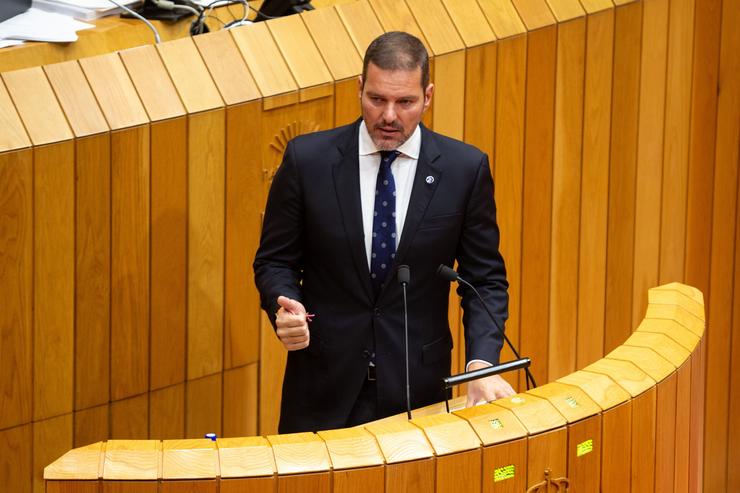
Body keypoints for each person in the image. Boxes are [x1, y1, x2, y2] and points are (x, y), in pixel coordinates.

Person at [253, 31, 514, 434]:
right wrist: (281, 306)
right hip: (323, 387)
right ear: (359, 89)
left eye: (405, 102)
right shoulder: (308, 161)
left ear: (427, 96)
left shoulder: (464, 170)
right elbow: (275, 261)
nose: (389, 116)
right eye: (377, 99)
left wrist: (481, 362)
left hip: (418, 389)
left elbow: (484, 279)